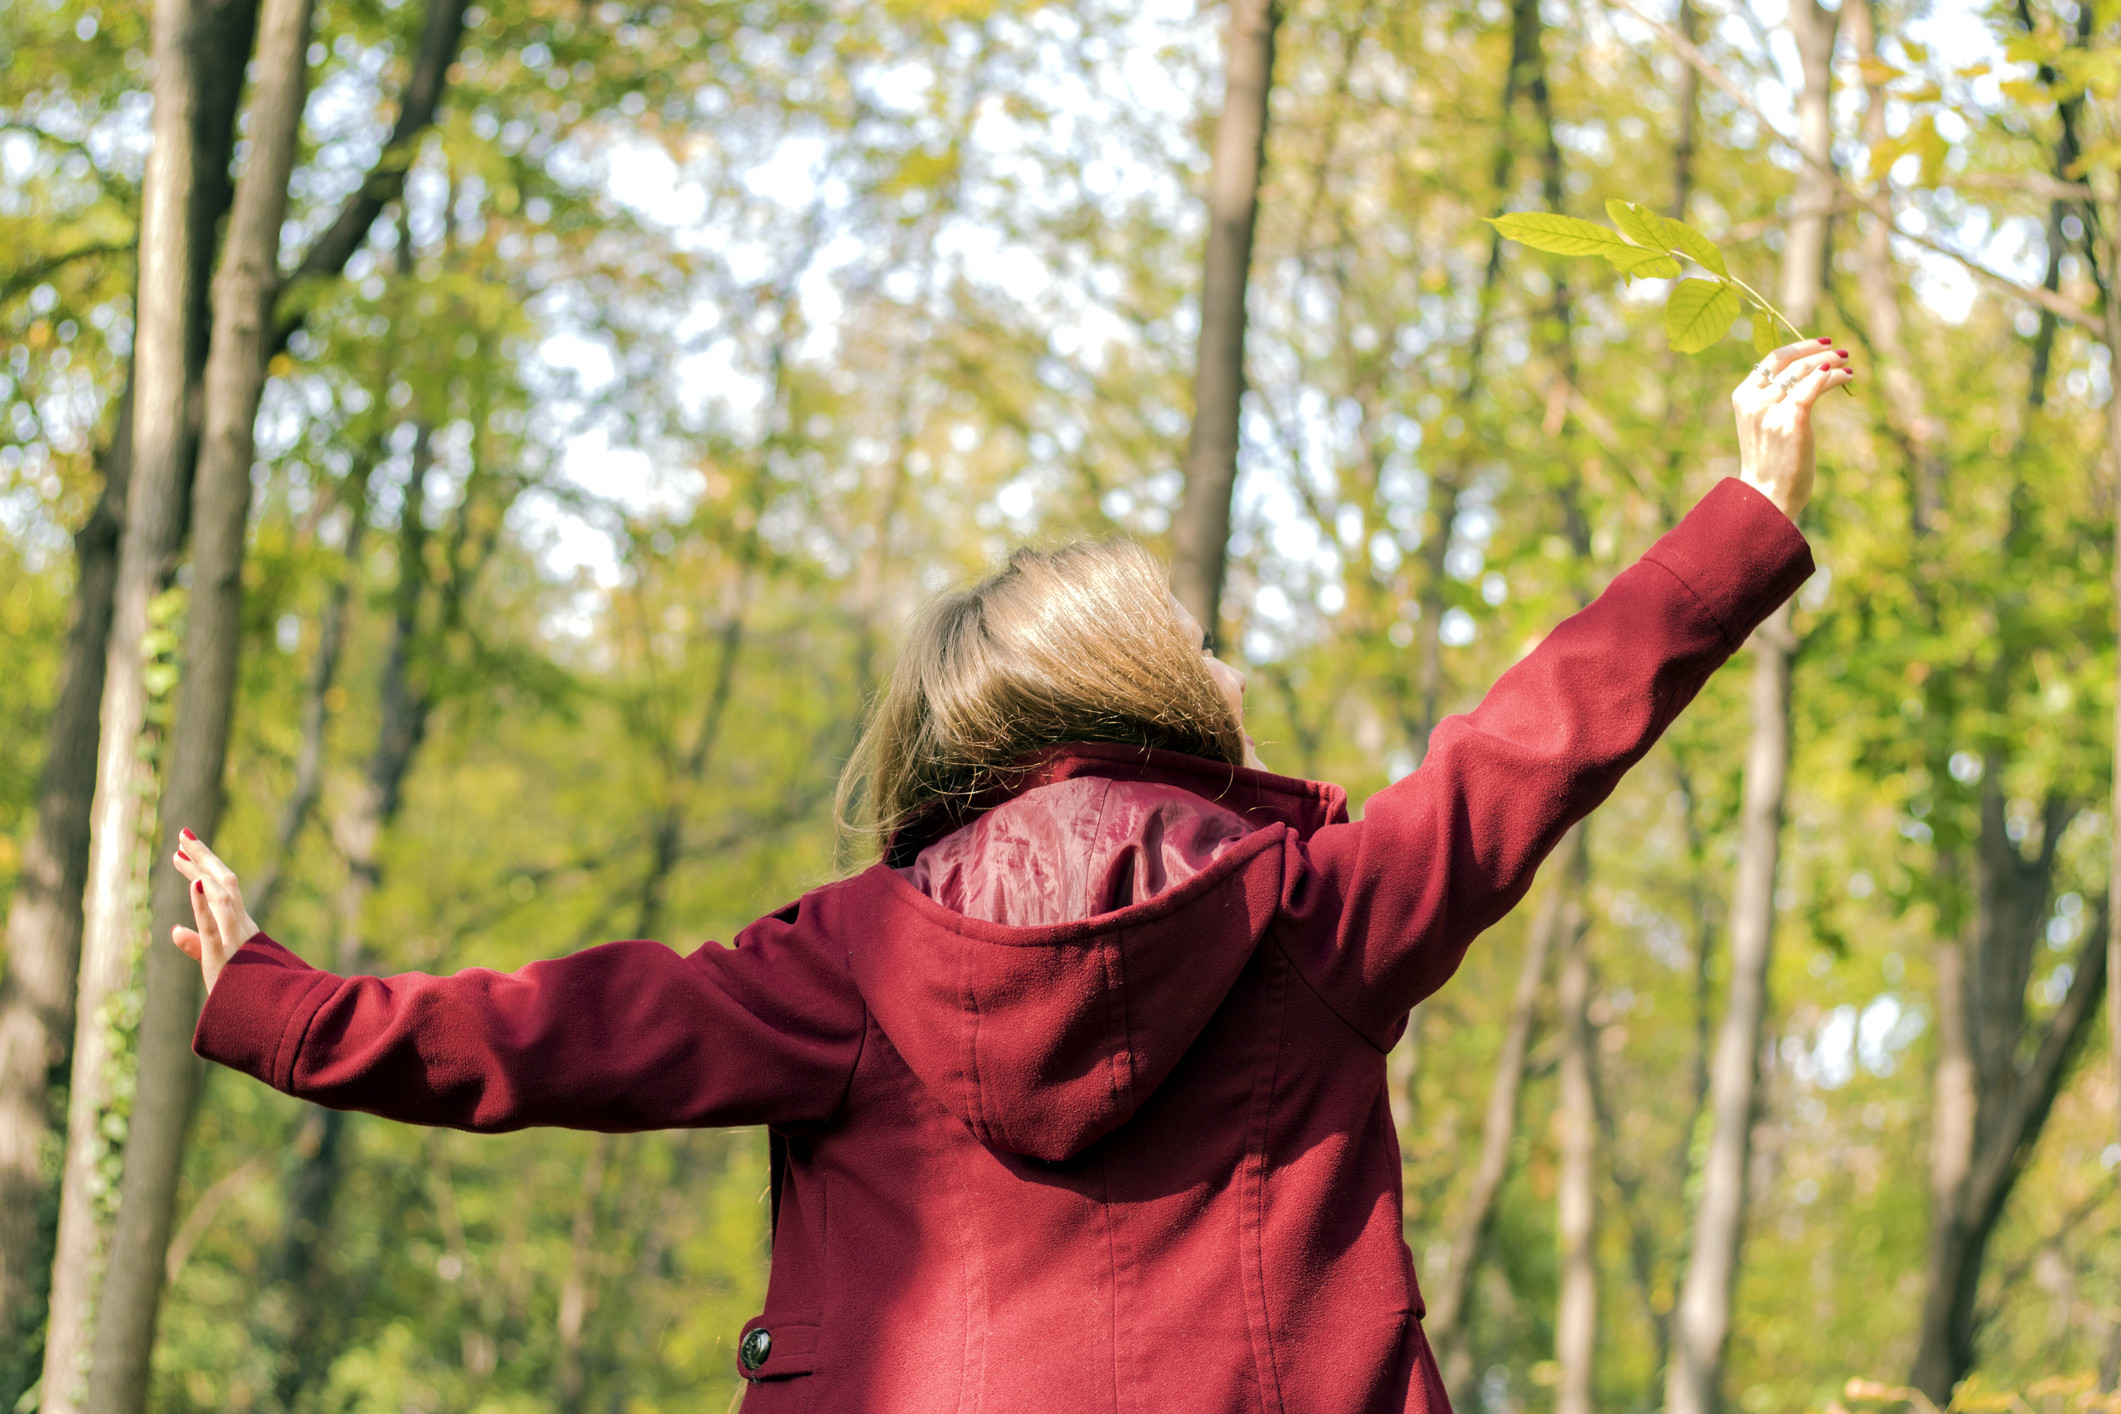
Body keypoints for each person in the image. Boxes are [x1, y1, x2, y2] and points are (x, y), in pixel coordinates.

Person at [172, 338, 1854, 1413]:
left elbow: (564, 1034)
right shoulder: (1317, 908)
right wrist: (1736, 517)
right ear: (1165, 684)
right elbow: (1532, 743)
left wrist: (285, 1005)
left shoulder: (850, 955)